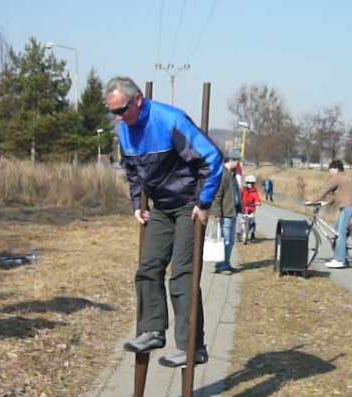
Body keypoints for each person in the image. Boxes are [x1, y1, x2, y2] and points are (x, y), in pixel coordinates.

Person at [105, 76, 222, 368]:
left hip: (188, 205)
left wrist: (203, 202)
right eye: (114, 113)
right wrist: (136, 204)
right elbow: (132, 171)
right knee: (147, 268)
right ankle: (153, 330)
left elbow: (212, 158)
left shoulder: (170, 120)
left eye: (122, 110)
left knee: (182, 274)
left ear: (138, 101)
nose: (119, 118)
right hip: (160, 208)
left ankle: (192, 347)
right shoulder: (123, 132)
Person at [309, 159, 352, 269]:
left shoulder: (337, 178)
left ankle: (340, 260)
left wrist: (313, 201)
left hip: (349, 207)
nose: (329, 172)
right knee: (337, 229)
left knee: (340, 234)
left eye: (330, 170)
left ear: (335, 169)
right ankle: (343, 254)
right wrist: (326, 202)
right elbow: (337, 195)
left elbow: (325, 190)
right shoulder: (345, 177)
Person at [211, 152, 242, 274]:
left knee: (231, 241)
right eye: (238, 161)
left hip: (232, 212)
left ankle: (226, 264)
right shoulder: (223, 174)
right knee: (226, 240)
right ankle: (221, 266)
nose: (239, 164)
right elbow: (218, 195)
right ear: (233, 160)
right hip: (225, 213)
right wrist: (216, 213)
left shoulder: (231, 175)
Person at [240, 175, 262, 242]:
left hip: (251, 210)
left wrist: (257, 202)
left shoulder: (254, 192)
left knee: (253, 222)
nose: (250, 184)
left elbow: (257, 199)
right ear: (246, 183)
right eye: (249, 182)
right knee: (240, 220)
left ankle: (252, 235)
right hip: (243, 209)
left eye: (252, 183)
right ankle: (239, 233)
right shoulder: (243, 190)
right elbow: (239, 197)